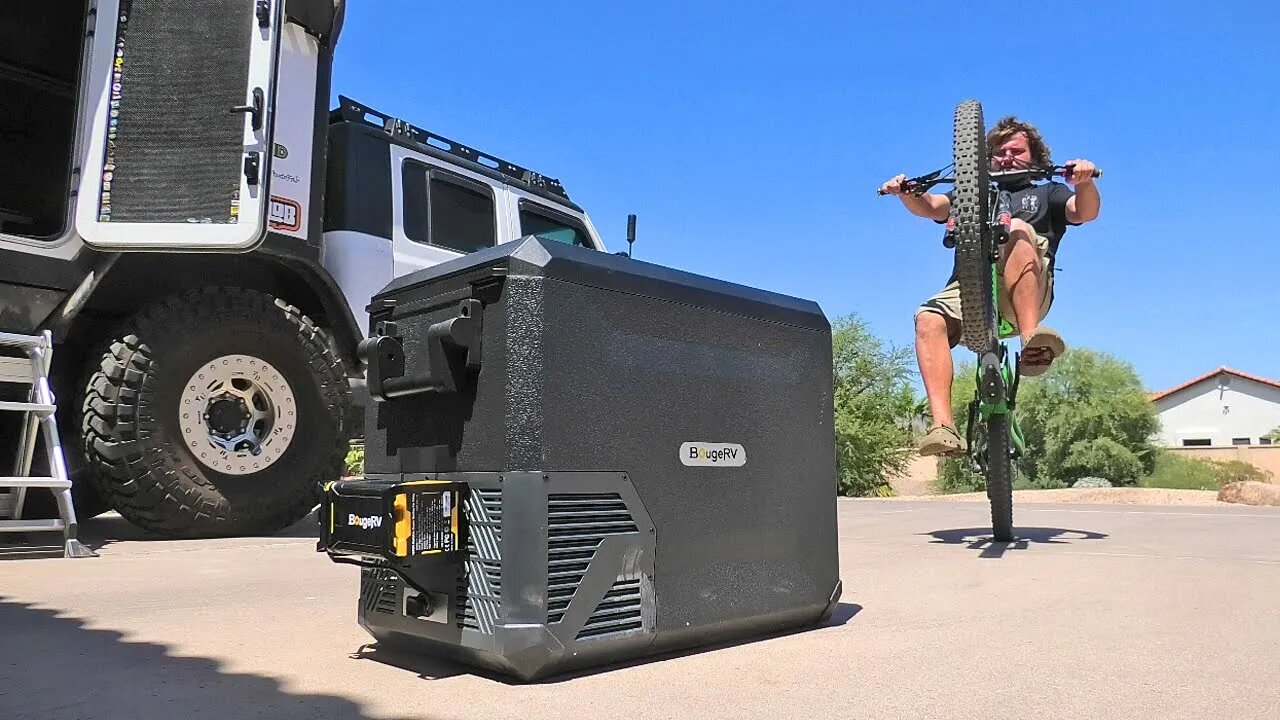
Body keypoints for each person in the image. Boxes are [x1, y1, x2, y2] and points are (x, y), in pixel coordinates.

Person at [880, 116, 1101, 457]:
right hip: (971, 287)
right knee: (927, 319)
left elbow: (1083, 211)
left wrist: (1084, 182)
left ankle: (1031, 341)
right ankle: (943, 428)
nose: (1007, 157)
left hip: (1026, 286)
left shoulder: (1048, 190)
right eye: (999, 152)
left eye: (1016, 150)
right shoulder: (975, 193)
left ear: (1035, 156)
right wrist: (908, 193)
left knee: (1015, 228)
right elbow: (932, 207)